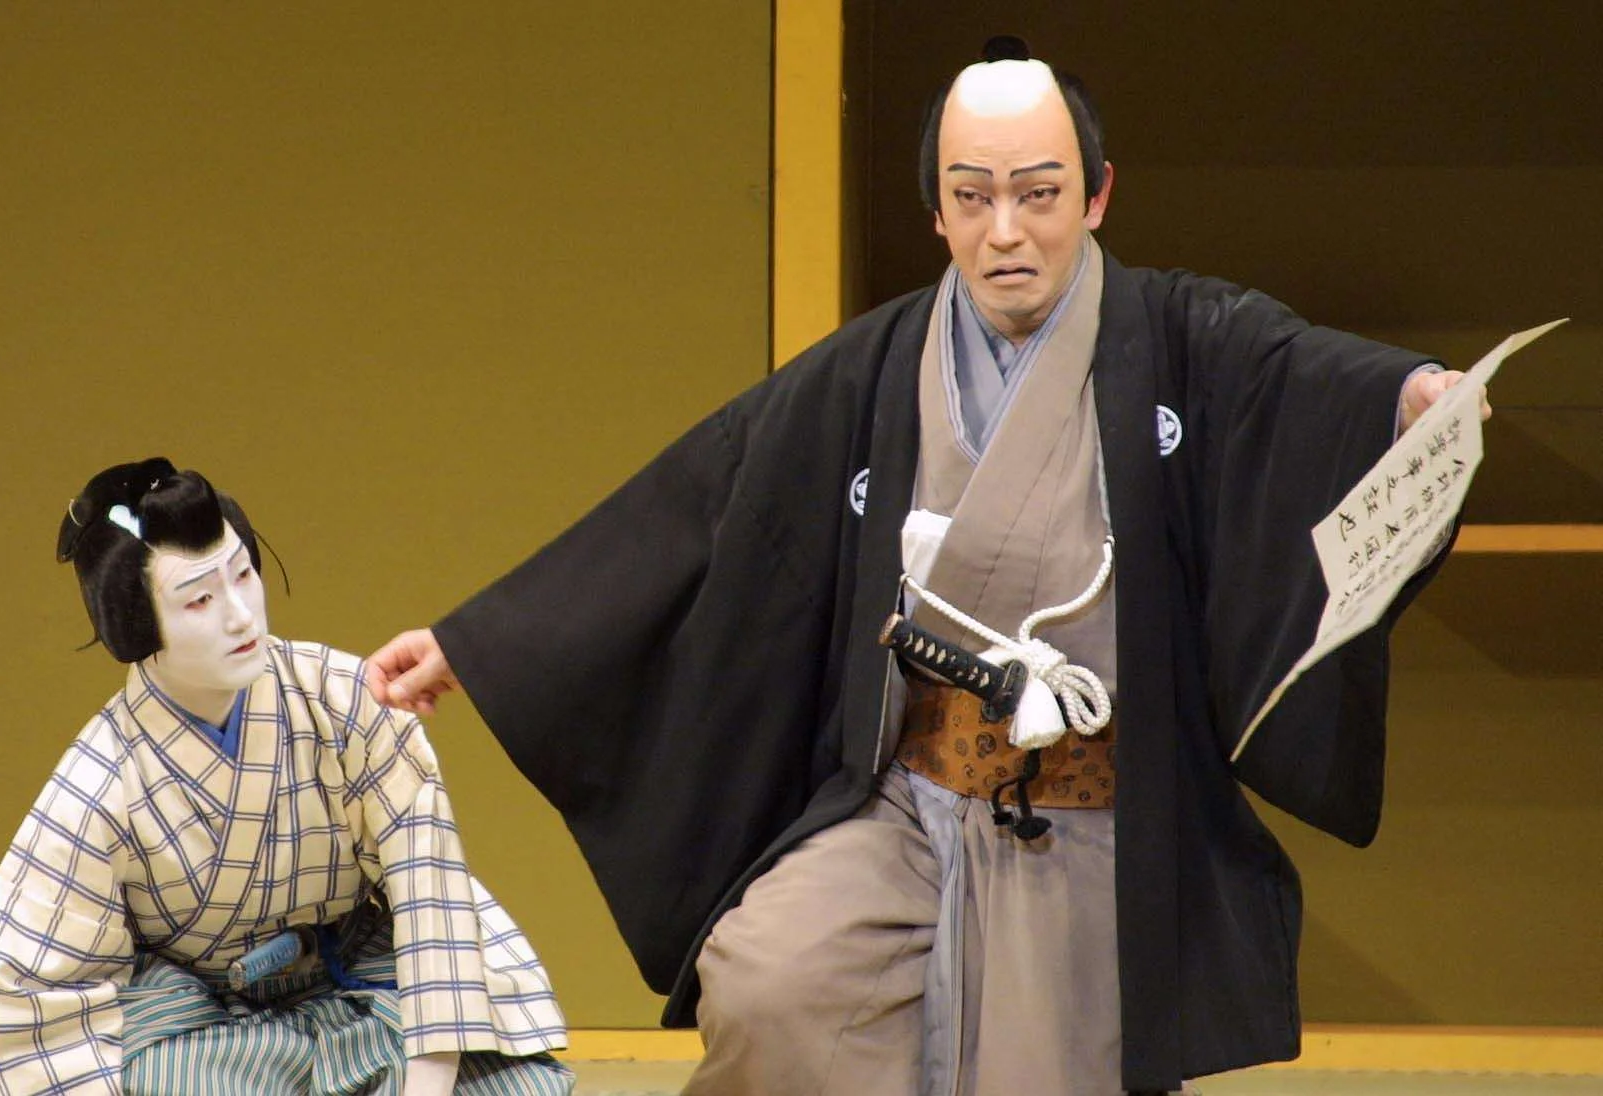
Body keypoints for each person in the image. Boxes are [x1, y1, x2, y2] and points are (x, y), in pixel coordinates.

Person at [367, 38, 1488, 1096]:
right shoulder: (878, 365)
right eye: (972, 196)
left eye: (1038, 193)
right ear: (937, 210)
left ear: (1095, 195)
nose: (1006, 230)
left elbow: (1305, 379)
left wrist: (1410, 400)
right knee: (771, 980)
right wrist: (482, 642)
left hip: (1091, 815)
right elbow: (698, 503)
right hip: (904, 798)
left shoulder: (1185, 336)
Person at [0, 458, 573, 1096]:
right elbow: (38, 982)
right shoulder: (101, 778)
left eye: (243, 575)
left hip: (358, 983)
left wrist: (425, 1085)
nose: (240, 616)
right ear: (133, 624)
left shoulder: (345, 699)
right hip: (204, 1026)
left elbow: (430, 894)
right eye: (201, 599)